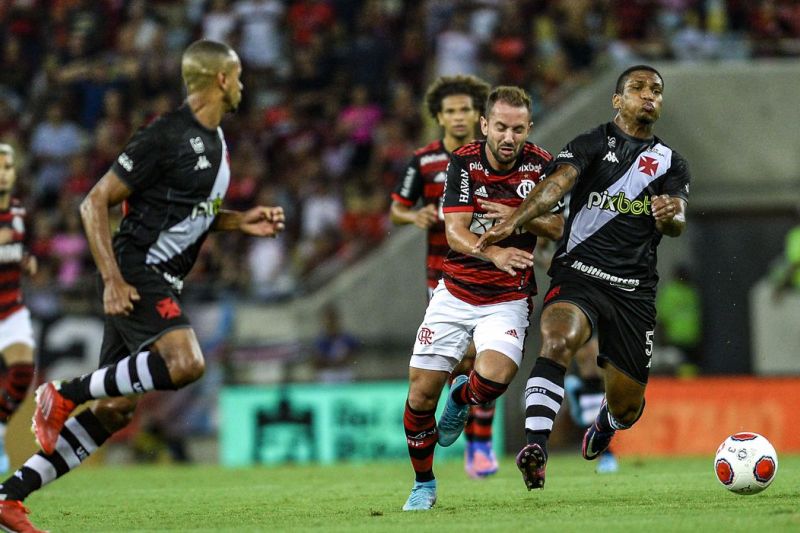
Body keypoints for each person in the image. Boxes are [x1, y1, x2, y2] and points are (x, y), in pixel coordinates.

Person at [0, 40, 286, 533]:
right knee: (186, 362)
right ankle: (61, 393)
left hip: (160, 276)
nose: (242, 86)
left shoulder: (215, 142)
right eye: (237, 77)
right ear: (221, 79)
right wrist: (112, 278)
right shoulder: (165, 135)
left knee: (114, 410)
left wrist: (240, 223)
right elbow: (94, 202)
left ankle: (9, 496)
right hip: (136, 269)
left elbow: (185, 215)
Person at [475, 65, 690, 491]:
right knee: (558, 338)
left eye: (657, 91)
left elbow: (678, 218)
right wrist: (515, 221)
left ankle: (607, 423)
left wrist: (671, 216)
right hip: (580, 274)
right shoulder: (592, 143)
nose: (649, 96)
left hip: (633, 291)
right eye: (638, 88)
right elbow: (556, 186)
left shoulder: (671, 163)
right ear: (617, 99)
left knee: (628, 406)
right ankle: (536, 449)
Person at [401, 86, 564, 511]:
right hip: (454, 290)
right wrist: (492, 250)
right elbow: (454, 232)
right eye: (501, 128)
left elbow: (560, 227)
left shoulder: (543, 165)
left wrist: (519, 215)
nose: (509, 137)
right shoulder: (464, 162)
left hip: (508, 295)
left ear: (528, 128)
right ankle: (424, 484)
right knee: (419, 396)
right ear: (485, 125)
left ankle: (460, 398)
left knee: (492, 380)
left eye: (518, 129)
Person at [390, 74, 502, 479]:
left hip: (487, 271)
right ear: (439, 116)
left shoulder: (492, 160)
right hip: (438, 276)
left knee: (480, 357)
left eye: (466, 110)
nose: (458, 117)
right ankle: (468, 431)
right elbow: (396, 207)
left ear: (478, 115)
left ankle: (480, 444)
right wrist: (412, 214)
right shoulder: (424, 161)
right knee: (457, 363)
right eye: (451, 111)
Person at [0, 144, 37, 475]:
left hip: (10, 308)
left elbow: (17, 249)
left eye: (7, 166)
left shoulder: (19, 213)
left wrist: (27, 260)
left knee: (23, 371)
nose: (2, 172)